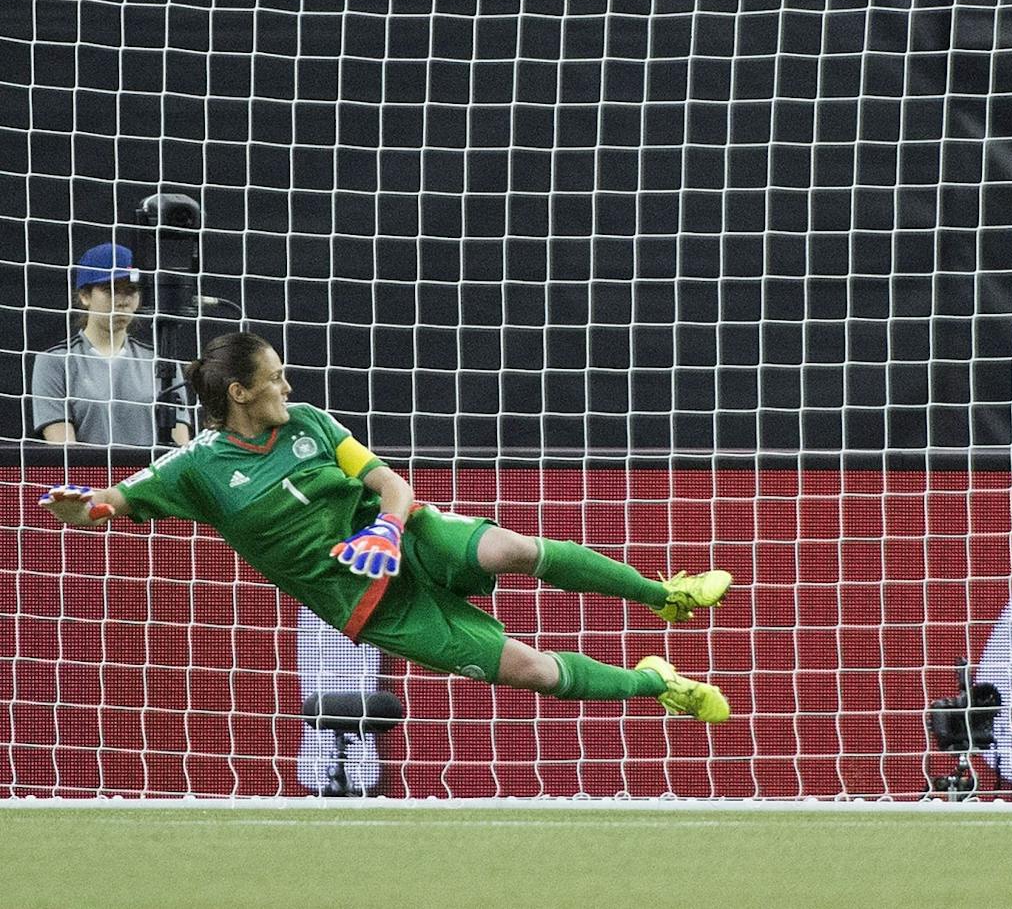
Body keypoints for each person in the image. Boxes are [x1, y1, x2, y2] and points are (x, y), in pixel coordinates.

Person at [39, 331, 734, 724]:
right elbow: (108, 505)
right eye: (274, 380)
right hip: (368, 604)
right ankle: (656, 685)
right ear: (241, 394)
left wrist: (389, 531)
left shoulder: (309, 422)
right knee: (530, 670)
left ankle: (662, 596)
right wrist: (83, 508)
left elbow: (390, 484)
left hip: (401, 537)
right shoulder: (194, 469)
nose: (288, 386)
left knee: (512, 547)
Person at [30, 243, 192, 447]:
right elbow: (65, 452)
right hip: (89, 477)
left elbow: (181, 449)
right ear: (84, 296)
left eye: (131, 290)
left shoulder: (161, 362)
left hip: (154, 478)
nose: (122, 301)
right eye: (110, 290)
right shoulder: (54, 362)